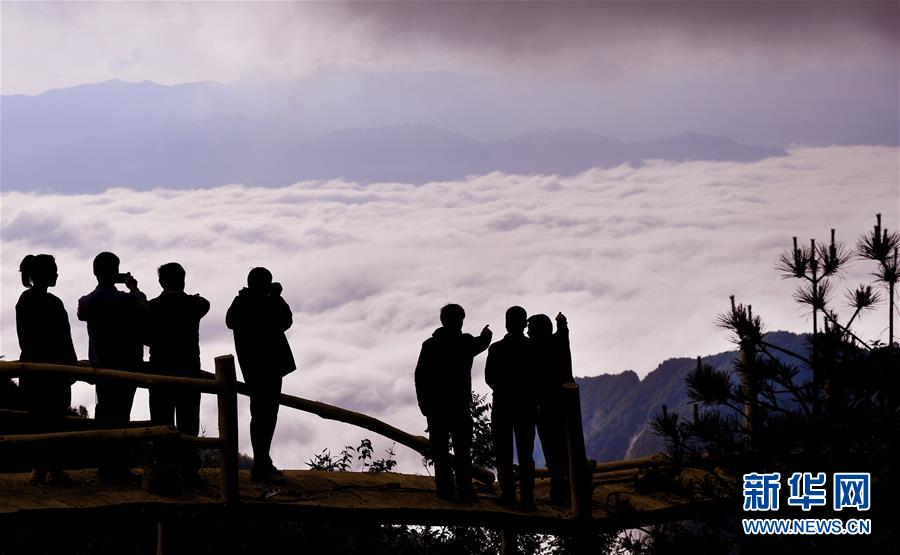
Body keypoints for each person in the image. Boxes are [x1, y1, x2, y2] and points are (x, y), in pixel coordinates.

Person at [77, 251, 147, 480]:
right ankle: (119, 466)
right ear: (116, 271)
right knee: (122, 414)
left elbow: (81, 313)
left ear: (95, 272)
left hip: (101, 365)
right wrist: (133, 287)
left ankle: (104, 465)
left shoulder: (87, 302)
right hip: (127, 365)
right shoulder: (127, 300)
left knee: (104, 412)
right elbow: (143, 306)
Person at [414, 304, 491, 502]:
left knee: (440, 452)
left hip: (436, 408)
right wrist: (486, 333)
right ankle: (466, 490)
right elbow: (482, 343)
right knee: (463, 452)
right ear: (460, 320)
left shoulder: (430, 345)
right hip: (459, 407)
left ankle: (445, 491)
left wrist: (424, 405)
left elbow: (420, 376)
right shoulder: (464, 343)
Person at [226, 267, 295, 483]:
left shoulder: (241, 302)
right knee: (265, 416)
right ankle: (261, 465)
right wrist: (276, 297)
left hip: (254, 367)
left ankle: (263, 462)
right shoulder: (261, 302)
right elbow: (286, 321)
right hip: (267, 367)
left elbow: (231, 322)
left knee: (263, 415)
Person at [145, 262, 210, 486]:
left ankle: (163, 469)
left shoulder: (152, 307)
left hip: (161, 371)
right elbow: (205, 303)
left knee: (161, 421)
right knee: (189, 421)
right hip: (189, 371)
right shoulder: (195, 304)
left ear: (162, 282)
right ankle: (190, 471)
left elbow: (145, 338)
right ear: (183, 280)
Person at [16, 254, 78, 485]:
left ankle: (40, 468)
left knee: (39, 419)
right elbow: (65, 338)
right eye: (54, 270)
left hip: (34, 370)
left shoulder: (25, 301)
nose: (57, 274)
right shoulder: (52, 302)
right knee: (54, 419)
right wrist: (70, 365)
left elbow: (27, 340)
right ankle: (51, 468)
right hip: (53, 370)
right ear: (44, 274)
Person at [485, 306, 537, 509]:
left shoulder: (496, 349)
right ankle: (527, 498)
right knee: (526, 455)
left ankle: (508, 495)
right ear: (524, 324)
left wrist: (504, 389)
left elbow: (490, 378)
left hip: (502, 406)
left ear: (507, 324)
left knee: (503, 454)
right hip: (526, 407)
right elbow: (537, 379)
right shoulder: (533, 348)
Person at [529, 312, 574, 506]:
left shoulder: (535, 349)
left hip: (546, 408)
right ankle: (574, 491)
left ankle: (558, 494)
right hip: (566, 404)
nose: (528, 333)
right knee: (568, 449)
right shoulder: (560, 342)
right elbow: (563, 331)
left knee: (552, 452)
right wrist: (561, 321)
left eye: (530, 329)